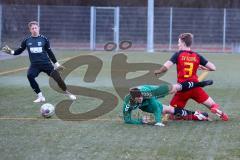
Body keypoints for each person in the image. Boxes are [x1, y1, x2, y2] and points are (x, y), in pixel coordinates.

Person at [154, 33, 228, 121]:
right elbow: (213, 67)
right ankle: (222, 115)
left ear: (183, 43)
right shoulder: (197, 56)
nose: (178, 45)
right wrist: (202, 67)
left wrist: (157, 71)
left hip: (183, 89)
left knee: (172, 114)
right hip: (195, 87)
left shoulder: (178, 55)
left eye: (179, 42)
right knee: (212, 105)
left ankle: (197, 116)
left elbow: (165, 68)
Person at [1, 21, 76, 103]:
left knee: (58, 78)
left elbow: (50, 52)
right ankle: (40, 97)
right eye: (32, 28)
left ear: (39, 28)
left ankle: (68, 93)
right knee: (30, 75)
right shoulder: (26, 40)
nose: (34, 30)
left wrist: (56, 64)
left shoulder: (44, 39)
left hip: (46, 64)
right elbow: (19, 51)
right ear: (30, 30)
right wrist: (11, 52)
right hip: (35, 65)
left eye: (36, 28)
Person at [123, 80, 213, 127]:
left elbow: (156, 108)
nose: (140, 98)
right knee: (169, 110)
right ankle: (196, 114)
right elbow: (127, 120)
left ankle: (199, 84)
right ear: (133, 98)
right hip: (145, 105)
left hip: (153, 92)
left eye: (141, 97)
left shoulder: (146, 93)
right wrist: (140, 122)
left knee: (174, 88)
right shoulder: (128, 104)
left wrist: (158, 122)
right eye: (138, 98)